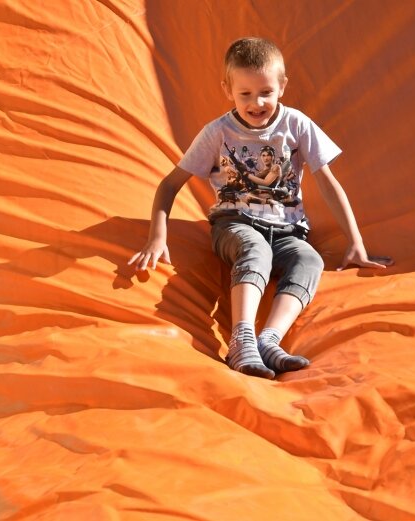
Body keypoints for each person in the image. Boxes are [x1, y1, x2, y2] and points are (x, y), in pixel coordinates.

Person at [128, 37, 393, 379]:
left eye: (266, 92)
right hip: (234, 223)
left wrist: (355, 241)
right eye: (245, 94)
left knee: (309, 259)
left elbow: (328, 183)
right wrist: (156, 236)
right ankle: (242, 339)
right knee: (255, 250)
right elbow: (169, 185)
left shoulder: (296, 125)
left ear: (282, 86)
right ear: (228, 90)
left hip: (287, 229)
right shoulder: (218, 133)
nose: (257, 103)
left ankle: (270, 339)